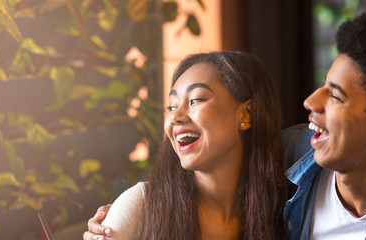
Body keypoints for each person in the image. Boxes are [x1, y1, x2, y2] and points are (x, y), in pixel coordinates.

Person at [85, 13, 366, 240]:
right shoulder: (293, 156)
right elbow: (213, 164)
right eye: (320, 86)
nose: (309, 103)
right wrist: (131, 214)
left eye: (335, 95)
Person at [84, 51, 287, 240]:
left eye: (195, 100)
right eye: (172, 106)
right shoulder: (140, 207)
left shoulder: (287, 211)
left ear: (246, 114)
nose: (175, 117)